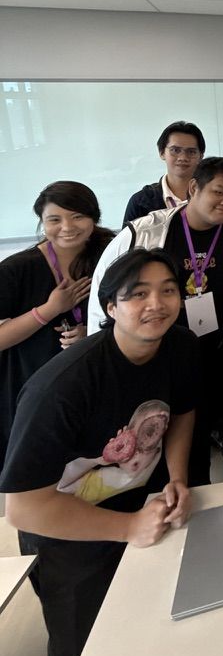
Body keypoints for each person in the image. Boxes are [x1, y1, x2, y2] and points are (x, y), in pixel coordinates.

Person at [0, 248, 198, 656]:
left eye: (168, 291)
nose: (156, 304)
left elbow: (182, 411)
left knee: (151, 625)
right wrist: (127, 529)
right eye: (138, 294)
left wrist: (178, 477)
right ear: (110, 307)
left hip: (142, 503)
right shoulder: (61, 387)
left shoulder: (179, 345)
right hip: (67, 527)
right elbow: (24, 508)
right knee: (86, 655)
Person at [87, 158, 223, 483]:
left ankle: (194, 488)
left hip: (207, 351)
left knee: (196, 434)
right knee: (146, 435)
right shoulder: (144, 233)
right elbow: (102, 294)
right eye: (219, 192)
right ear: (193, 188)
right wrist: (105, 355)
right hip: (151, 354)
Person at [0, 181, 114, 465]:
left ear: (94, 217)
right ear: (42, 222)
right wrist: (50, 310)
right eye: (54, 219)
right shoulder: (16, 270)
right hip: (35, 386)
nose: (67, 227)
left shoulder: (111, 255)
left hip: (97, 380)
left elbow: (131, 310)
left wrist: (95, 330)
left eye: (77, 216)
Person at [123, 120, 205, 225]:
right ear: (162, 153)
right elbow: (128, 240)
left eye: (191, 152)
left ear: (201, 156)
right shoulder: (141, 202)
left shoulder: (213, 196)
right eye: (175, 150)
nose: (183, 157)